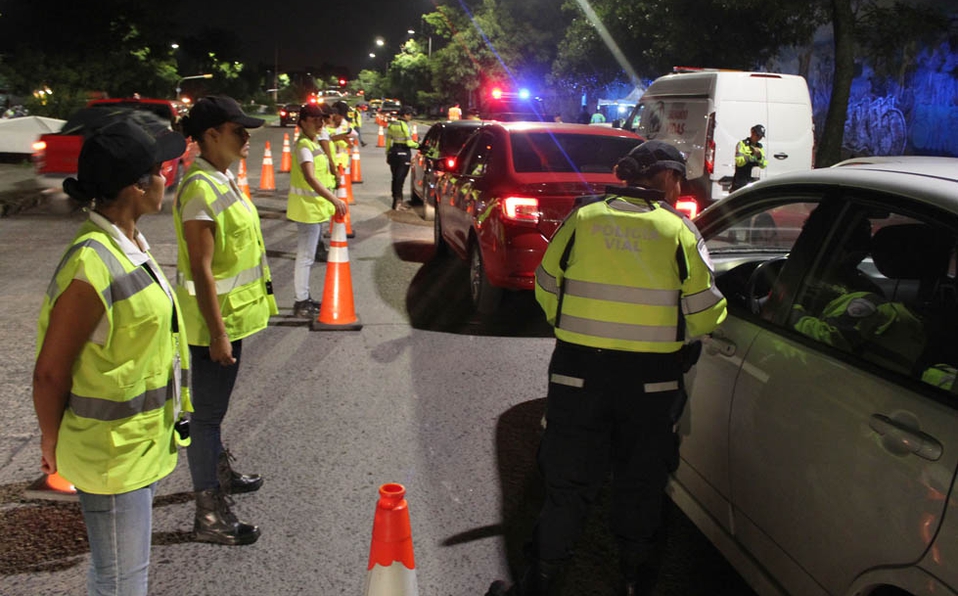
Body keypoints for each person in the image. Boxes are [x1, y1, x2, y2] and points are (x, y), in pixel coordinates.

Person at [488, 140, 727, 596]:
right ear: (667, 177)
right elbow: (706, 314)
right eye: (679, 178)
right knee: (640, 485)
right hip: (653, 382)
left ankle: (539, 583)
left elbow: (545, 284)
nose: (680, 187)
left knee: (567, 484)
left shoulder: (584, 218)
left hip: (579, 374)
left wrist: (573, 325)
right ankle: (635, 583)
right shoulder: (679, 230)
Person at [33, 115, 192, 595]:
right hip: (110, 455)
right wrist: (49, 441)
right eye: (161, 170)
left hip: (134, 445)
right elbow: (50, 372)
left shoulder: (129, 246)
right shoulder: (91, 263)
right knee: (121, 581)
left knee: (120, 574)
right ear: (136, 188)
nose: (168, 177)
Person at [174, 96, 278, 546]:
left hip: (233, 320)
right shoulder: (199, 188)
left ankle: (220, 472)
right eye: (239, 129)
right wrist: (218, 334)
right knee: (207, 418)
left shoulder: (222, 178)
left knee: (215, 414)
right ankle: (209, 513)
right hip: (215, 326)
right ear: (211, 135)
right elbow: (201, 270)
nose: (247, 136)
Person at [287, 103, 348, 318]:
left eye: (321, 119)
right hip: (307, 211)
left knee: (308, 256)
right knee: (305, 257)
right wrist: (334, 199)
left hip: (313, 209)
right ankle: (301, 301)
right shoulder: (304, 146)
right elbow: (310, 178)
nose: (319, 123)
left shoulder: (314, 144)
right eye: (314, 119)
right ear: (302, 122)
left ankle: (303, 299)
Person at [385, 105, 420, 211]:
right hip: (403, 153)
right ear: (405, 115)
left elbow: (388, 141)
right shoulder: (404, 125)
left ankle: (395, 201)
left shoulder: (392, 124)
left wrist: (388, 153)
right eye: (410, 115)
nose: (410, 117)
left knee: (395, 178)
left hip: (393, 152)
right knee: (401, 179)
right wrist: (419, 145)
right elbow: (409, 142)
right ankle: (398, 203)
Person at [730, 124, 768, 191]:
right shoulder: (742, 144)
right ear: (752, 132)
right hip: (741, 182)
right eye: (757, 135)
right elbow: (739, 162)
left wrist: (759, 157)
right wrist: (752, 155)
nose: (758, 138)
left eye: (761, 137)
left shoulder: (760, 147)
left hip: (754, 182)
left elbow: (764, 165)